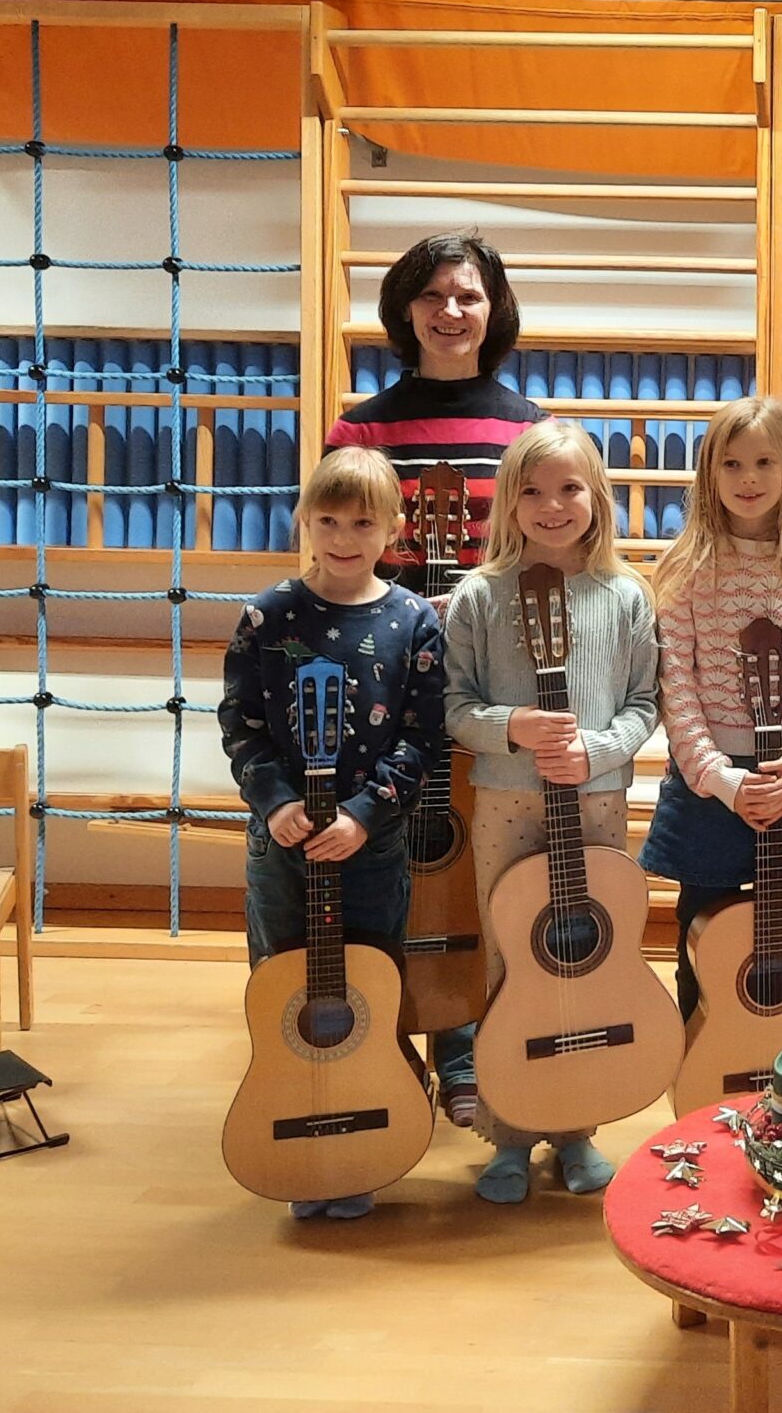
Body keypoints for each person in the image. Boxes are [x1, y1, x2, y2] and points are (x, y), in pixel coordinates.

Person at [327, 230, 543, 1131]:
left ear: (494, 310)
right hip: (378, 670)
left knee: (466, 854)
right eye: (432, 295)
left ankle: (462, 1045)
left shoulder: (528, 427)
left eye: (469, 295)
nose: (451, 311)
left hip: (487, 673)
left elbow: (543, 549)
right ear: (405, 308)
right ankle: (382, 1041)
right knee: (381, 854)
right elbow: (337, 546)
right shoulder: (361, 428)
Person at [217, 446, 445, 1221]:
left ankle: (361, 1143)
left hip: (369, 845)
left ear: (394, 529)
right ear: (304, 522)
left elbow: (421, 737)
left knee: (369, 990)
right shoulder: (268, 615)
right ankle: (293, 1134)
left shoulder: (413, 620)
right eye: (328, 520)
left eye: (363, 522)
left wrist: (365, 812)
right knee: (283, 987)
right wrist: (274, 800)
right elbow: (241, 723)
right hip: (282, 845)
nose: (344, 537)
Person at [440, 420, 657, 1203]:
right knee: (513, 960)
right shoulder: (479, 595)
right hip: (506, 799)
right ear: (508, 500)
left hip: (595, 802)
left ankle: (576, 1128)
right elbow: (454, 706)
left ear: (596, 495)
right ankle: (508, 1129)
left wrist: (596, 749)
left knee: (585, 956)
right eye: (531, 490)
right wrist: (512, 726)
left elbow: (645, 703)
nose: (552, 504)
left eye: (569, 487)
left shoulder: (626, 595)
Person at [642, 397, 782, 1020]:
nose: (749, 478)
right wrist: (722, 780)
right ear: (708, 472)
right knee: (701, 948)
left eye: (764, 462)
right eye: (731, 464)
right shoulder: (685, 569)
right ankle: (701, 1062)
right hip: (709, 790)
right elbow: (676, 689)